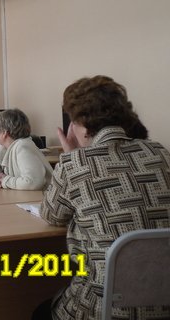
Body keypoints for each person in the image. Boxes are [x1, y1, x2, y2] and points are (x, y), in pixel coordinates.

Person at [35, 76, 170, 320]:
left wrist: (73, 157)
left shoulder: (74, 163)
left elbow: (51, 215)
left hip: (102, 307)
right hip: (164, 302)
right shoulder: (161, 153)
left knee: (40, 311)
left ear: (80, 124)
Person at [0, 109, 52, 190]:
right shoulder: (2, 146)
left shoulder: (23, 147)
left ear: (4, 133)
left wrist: (4, 180)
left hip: (43, 196)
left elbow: (34, 181)